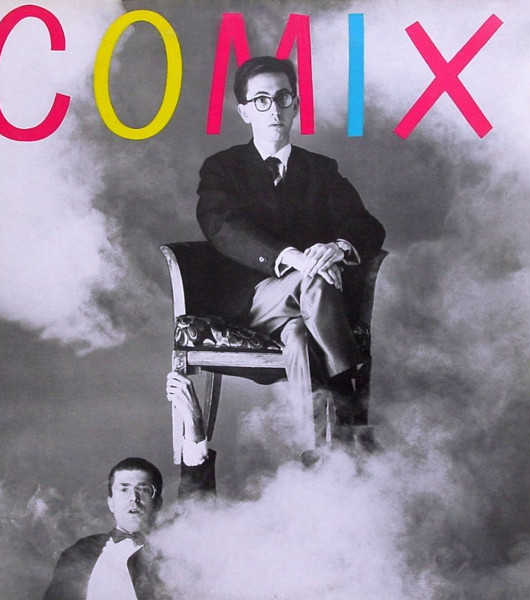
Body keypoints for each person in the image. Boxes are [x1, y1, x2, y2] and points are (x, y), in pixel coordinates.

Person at [196, 56, 386, 448]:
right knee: (314, 278)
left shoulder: (320, 169)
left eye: (283, 98)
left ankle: (314, 455)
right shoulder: (222, 168)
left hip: (309, 312)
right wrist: (294, 258)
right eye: (261, 100)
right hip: (250, 303)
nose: (275, 109)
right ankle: (351, 405)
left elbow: (367, 226)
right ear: (244, 111)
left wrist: (336, 247)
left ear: (296, 105)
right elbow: (222, 228)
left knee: (298, 335)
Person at [42, 372, 214, 600]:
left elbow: (199, 512)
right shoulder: (80, 553)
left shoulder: (173, 549)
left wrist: (194, 424)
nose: (134, 498)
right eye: (124, 489)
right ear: (111, 503)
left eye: (143, 489)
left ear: (158, 502)